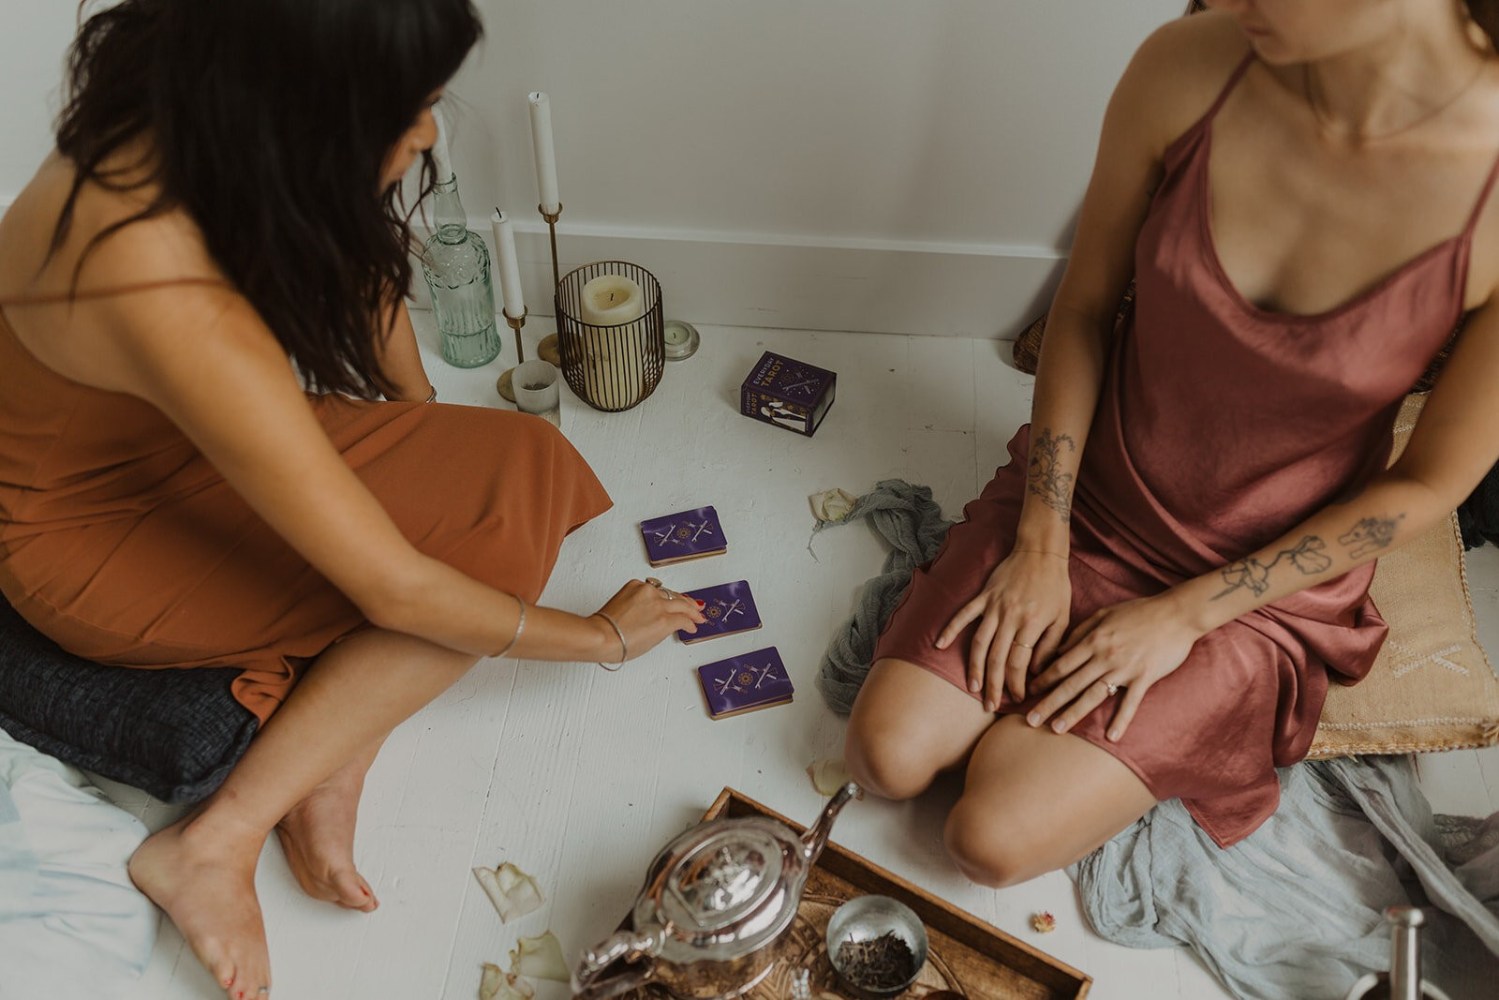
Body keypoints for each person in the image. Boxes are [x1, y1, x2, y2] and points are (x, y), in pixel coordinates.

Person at [0, 2, 707, 997]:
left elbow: (349, 262)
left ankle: (335, 748)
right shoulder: (159, 287)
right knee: (484, 549)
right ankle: (214, 839)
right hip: (90, 538)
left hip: (167, 443)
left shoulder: (204, 116)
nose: (424, 134)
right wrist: (597, 638)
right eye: (406, 111)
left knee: (516, 467)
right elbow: (399, 589)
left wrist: (420, 436)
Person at [846, 0, 1499, 888]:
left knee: (988, 839)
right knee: (886, 757)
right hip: (1086, 499)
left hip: (1257, 579)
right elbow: (1079, 311)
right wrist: (1041, 541)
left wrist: (1187, 614)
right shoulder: (1189, 63)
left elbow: (1428, 483)